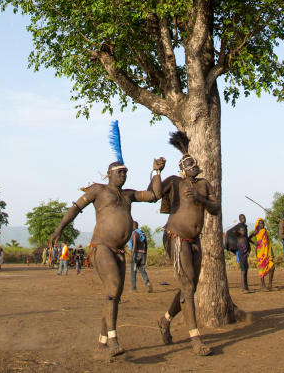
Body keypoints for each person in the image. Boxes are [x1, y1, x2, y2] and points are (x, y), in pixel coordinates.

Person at [49, 121, 165, 359]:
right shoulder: (98, 190)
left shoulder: (129, 195)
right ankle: (114, 340)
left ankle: (102, 342)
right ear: (109, 173)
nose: (123, 175)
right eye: (120, 172)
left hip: (119, 251)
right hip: (100, 247)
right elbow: (75, 208)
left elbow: (154, 195)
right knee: (113, 288)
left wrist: (156, 171)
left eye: (126, 173)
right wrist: (59, 228)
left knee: (115, 294)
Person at [155, 131, 219, 357]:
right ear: (182, 168)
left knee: (189, 285)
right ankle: (195, 338)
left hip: (195, 240)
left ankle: (165, 320)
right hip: (176, 238)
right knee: (189, 286)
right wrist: (156, 172)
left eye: (195, 162)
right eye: (189, 163)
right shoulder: (175, 182)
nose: (195, 165)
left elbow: (216, 209)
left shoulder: (204, 185)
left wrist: (200, 198)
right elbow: (154, 194)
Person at [249, 218, 275, 291]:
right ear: (258, 224)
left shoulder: (265, 231)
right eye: (260, 223)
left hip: (267, 252)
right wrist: (254, 243)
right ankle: (263, 285)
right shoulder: (256, 231)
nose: (262, 224)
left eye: (263, 223)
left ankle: (270, 285)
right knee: (262, 268)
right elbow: (248, 238)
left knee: (272, 267)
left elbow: (268, 242)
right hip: (260, 252)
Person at [129, 222, 153, 292]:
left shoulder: (134, 234)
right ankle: (147, 283)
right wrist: (145, 253)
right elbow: (146, 244)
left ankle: (133, 288)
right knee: (142, 270)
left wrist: (131, 256)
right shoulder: (142, 233)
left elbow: (134, 245)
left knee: (133, 271)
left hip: (136, 254)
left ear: (133, 226)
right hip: (143, 254)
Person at [235, 224, 251, 293]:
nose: (243, 231)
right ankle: (244, 288)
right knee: (243, 271)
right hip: (242, 256)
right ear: (239, 231)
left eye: (244, 230)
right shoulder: (240, 237)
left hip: (245, 256)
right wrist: (239, 233)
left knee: (245, 270)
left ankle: (245, 287)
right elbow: (234, 232)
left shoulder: (245, 238)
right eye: (242, 230)